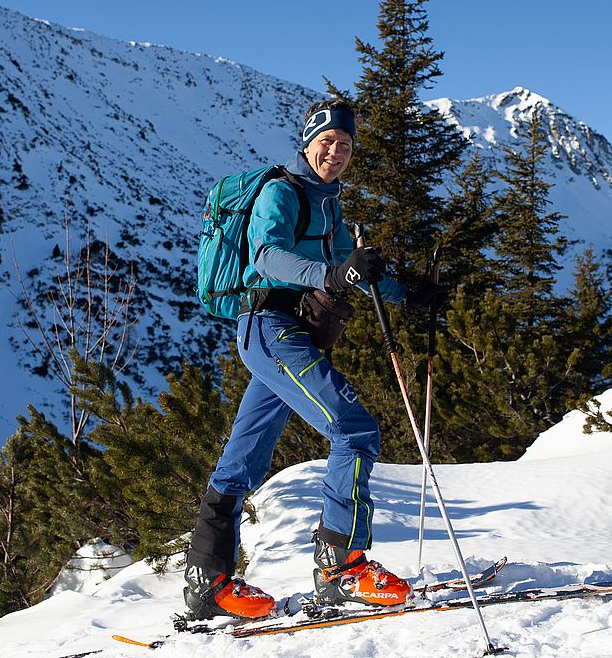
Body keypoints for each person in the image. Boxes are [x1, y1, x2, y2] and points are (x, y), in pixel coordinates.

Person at [183, 99, 446, 619]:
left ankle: (206, 581)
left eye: (345, 144)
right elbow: (267, 256)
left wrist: (410, 294)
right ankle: (340, 568)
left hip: (289, 333)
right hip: (268, 327)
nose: (336, 151)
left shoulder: (330, 204)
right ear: (307, 143)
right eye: (327, 142)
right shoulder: (282, 192)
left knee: (243, 459)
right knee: (355, 429)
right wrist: (327, 275)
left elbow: (353, 270)